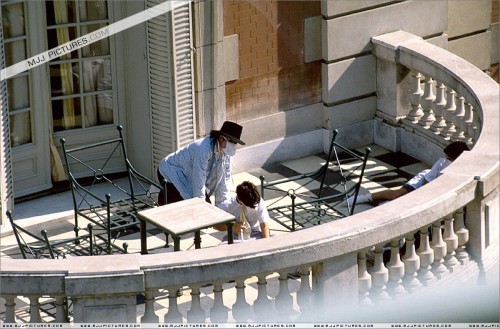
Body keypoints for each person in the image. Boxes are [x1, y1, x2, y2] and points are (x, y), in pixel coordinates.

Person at [347, 141, 469, 206]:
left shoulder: (463, 169)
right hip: (424, 181)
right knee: (397, 195)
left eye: (448, 158)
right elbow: (427, 183)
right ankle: (364, 198)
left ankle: (387, 204)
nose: (445, 159)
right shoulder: (442, 163)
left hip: (435, 188)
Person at [157, 121, 245, 205]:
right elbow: (198, 180)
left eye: (236, 143)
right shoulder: (203, 149)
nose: (234, 145)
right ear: (221, 138)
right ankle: (163, 199)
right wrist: (201, 206)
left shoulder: (226, 154)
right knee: (183, 207)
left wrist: (222, 206)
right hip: (171, 171)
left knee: (205, 207)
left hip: (190, 177)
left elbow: (224, 181)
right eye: (232, 142)